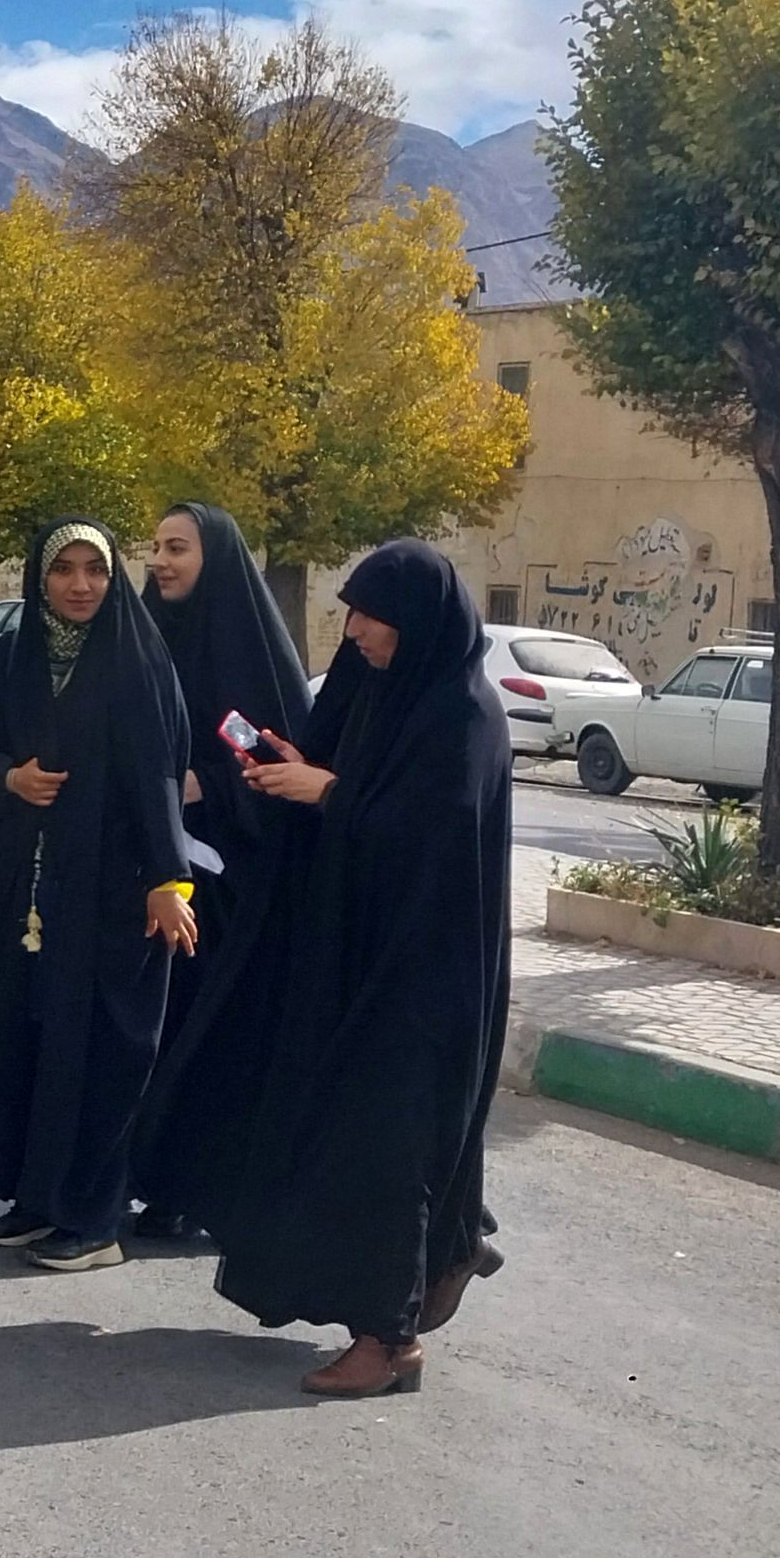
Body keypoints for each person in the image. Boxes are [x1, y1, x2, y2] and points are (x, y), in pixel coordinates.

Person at [177, 540, 514, 1398]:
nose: (355, 630)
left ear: (419, 622)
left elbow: (430, 836)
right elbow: (360, 789)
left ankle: (389, 1338)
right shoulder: (385, 698)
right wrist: (302, 774)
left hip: (422, 977)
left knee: (385, 1145)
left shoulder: (462, 714)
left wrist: (329, 794)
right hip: (358, 957)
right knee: (352, 1133)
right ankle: (451, 1245)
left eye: (373, 616)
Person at [0, 520, 194, 1274]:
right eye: (63, 570)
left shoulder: (138, 662)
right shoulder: (14, 658)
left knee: (102, 1055)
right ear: (39, 580)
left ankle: (94, 1219)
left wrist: (171, 879)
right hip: (31, 897)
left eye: (94, 571)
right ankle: (38, 1199)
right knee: (31, 1047)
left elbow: (160, 777)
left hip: (117, 896)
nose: (79, 585)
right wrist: (9, 778)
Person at [128, 501, 312, 1237]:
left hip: (230, 886)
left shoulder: (247, 655)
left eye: (179, 549)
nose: (163, 562)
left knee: (216, 1038)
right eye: (157, 548)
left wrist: (208, 783)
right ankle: (152, 1175)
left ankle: (207, 1186)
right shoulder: (145, 640)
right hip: (150, 869)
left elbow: (279, 758)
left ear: (217, 561)